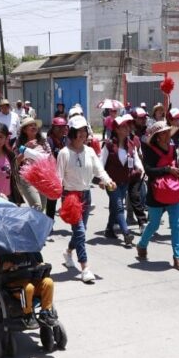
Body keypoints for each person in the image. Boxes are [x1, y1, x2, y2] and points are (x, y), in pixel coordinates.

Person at [57, 116, 116, 283]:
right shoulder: (64, 153)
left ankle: (68, 252)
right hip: (70, 197)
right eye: (79, 131)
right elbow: (58, 178)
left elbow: (99, 170)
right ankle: (85, 268)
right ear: (72, 133)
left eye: (84, 130)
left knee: (79, 233)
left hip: (86, 195)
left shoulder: (89, 151)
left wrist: (108, 181)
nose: (82, 134)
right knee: (81, 232)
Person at [136, 121, 179, 271]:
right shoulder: (150, 151)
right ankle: (142, 245)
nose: (167, 135)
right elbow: (149, 170)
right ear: (157, 137)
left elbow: (177, 165)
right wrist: (167, 170)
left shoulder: (173, 148)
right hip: (156, 193)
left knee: (176, 225)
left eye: (167, 132)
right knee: (154, 224)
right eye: (163, 133)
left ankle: (178, 257)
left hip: (173, 192)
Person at [101, 114, 142, 247]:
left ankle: (109, 229)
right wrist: (102, 179)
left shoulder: (131, 144)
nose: (127, 129)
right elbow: (100, 163)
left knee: (115, 206)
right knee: (119, 206)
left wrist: (141, 170)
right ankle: (126, 233)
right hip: (111, 182)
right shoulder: (108, 145)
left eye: (127, 126)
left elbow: (136, 160)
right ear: (117, 129)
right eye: (123, 127)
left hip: (125, 181)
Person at [0, 252, 55, 329]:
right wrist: (5, 268)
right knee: (28, 288)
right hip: (14, 286)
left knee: (48, 282)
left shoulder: (29, 254)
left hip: (30, 281)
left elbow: (36, 266)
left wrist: (39, 265)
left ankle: (45, 312)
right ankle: (28, 315)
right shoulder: (6, 256)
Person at [15, 117, 51, 211]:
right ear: (24, 129)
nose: (34, 127)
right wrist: (25, 148)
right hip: (27, 178)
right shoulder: (19, 143)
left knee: (42, 208)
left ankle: (32, 225)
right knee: (37, 206)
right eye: (30, 125)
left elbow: (50, 157)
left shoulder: (43, 141)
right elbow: (15, 162)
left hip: (42, 177)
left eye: (35, 125)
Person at [45, 117, 69, 219]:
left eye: (63, 127)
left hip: (67, 174)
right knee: (52, 201)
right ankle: (49, 222)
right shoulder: (49, 141)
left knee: (68, 198)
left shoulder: (67, 140)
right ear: (53, 128)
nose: (61, 130)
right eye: (58, 127)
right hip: (54, 174)